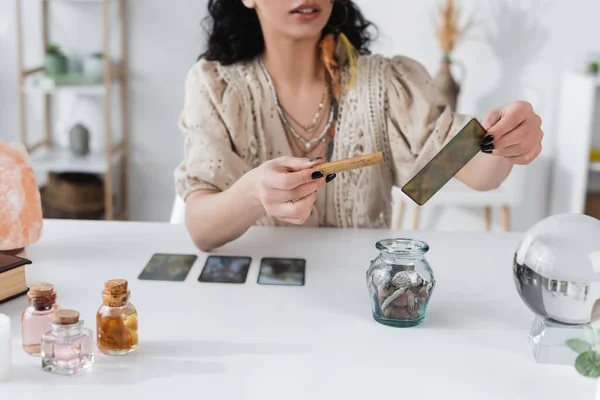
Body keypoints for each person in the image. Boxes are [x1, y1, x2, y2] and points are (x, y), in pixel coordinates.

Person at [174, 0, 544, 252]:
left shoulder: (384, 83)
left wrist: (506, 135)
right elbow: (202, 230)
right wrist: (253, 192)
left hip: (363, 304)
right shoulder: (215, 86)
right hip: (258, 307)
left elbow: (475, 174)